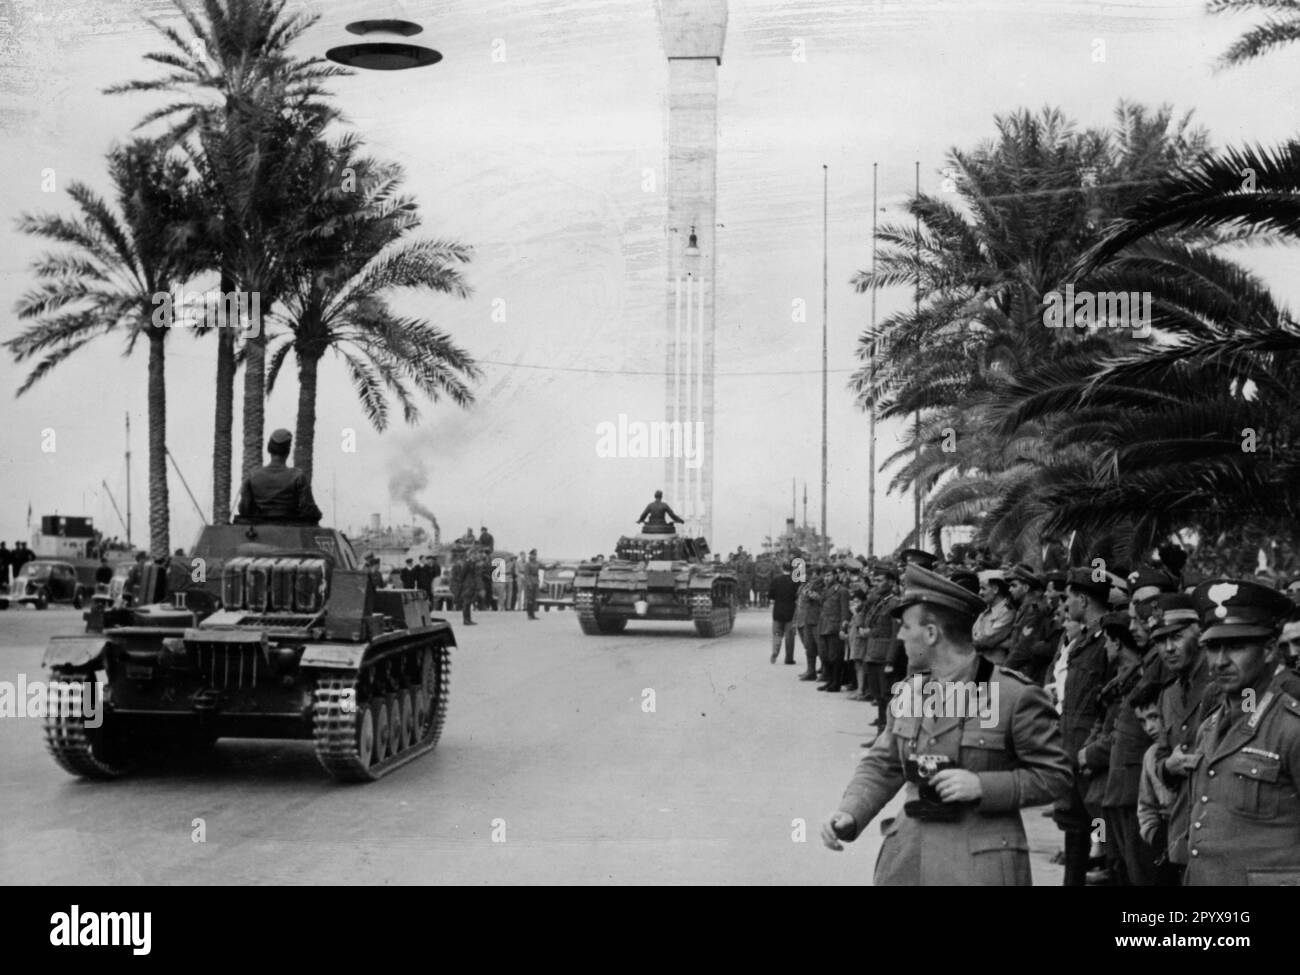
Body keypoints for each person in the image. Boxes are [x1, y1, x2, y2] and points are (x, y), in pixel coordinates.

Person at [820, 565, 1072, 884]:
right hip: (911, 862)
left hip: (981, 868)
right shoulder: (911, 692)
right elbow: (884, 764)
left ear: (931, 633)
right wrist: (850, 811)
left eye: (905, 627)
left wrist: (983, 786)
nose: (899, 636)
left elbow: (1056, 776)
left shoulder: (1013, 696)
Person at [1182, 578, 1300, 885]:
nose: (1221, 661)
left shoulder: (1292, 728)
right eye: (1213, 647)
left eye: (1236, 646)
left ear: (1270, 649)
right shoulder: (1210, 726)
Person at [1054, 566, 1117, 886]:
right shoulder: (1082, 641)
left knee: (1099, 839)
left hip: (1090, 756)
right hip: (1072, 751)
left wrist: (1092, 753)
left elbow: (1110, 705)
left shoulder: (1109, 641)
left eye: (1068, 598)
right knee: (1075, 833)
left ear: (1082, 598)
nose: (1065, 605)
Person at [1133, 683, 1181, 886]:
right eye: (1143, 721)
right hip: (1164, 841)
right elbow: (1145, 805)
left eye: (1154, 717)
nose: (1149, 727)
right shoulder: (1151, 756)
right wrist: (1154, 835)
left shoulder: (1184, 748)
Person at [236, 428, 322, 523]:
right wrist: (318, 514)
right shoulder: (297, 476)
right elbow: (308, 509)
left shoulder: (253, 476)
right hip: (291, 530)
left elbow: (244, 509)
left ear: (269, 449)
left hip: (256, 532)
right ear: (288, 451)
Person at [1004, 564, 1055, 683]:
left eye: (1014, 586)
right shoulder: (1025, 608)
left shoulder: (1034, 611)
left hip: (1025, 673)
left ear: (1026, 588)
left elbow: (1023, 648)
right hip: (1019, 669)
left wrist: (1004, 669)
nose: (1010, 589)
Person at [816, 565, 851, 692]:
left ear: (835, 575)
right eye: (825, 576)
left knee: (835, 657)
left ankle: (836, 683)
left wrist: (843, 628)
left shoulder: (842, 591)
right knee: (826, 656)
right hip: (824, 625)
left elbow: (844, 612)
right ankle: (830, 680)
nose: (826, 578)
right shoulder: (826, 590)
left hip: (835, 627)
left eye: (829, 575)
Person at [972, 570, 1015, 664]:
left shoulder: (1007, 612)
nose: (980, 592)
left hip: (994, 668)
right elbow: (974, 634)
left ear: (995, 589)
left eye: (983, 588)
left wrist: (976, 639)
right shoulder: (985, 612)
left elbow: (986, 640)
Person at [768, 560, 799, 664]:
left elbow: (770, 596)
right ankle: (788, 658)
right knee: (790, 637)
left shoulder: (775, 580)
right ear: (791, 570)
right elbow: (797, 596)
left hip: (778, 611)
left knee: (777, 634)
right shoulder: (795, 582)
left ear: (782, 569)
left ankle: (775, 652)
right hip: (791, 612)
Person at [451, 554, 480, 625]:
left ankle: (468, 619)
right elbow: (462, 575)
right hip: (467, 586)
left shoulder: (473, 564)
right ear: (470, 556)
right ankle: (466, 620)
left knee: (468, 603)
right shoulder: (467, 564)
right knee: (466, 603)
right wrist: (461, 585)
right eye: (474, 555)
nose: (476, 556)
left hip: (471, 586)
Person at [524, 549, 541, 620]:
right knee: (529, 600)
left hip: (536, 582)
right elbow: (526, 575)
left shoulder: (537, 563)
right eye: (533, 555)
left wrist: (554, 566)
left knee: (534, 600)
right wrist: (529, 584)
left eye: (535, 555)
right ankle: (529, 615)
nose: (534, 556)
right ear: (530, 555)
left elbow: (546, 567)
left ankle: (533, 615)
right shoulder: (528, 564)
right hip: (530, 582)